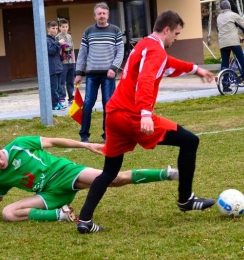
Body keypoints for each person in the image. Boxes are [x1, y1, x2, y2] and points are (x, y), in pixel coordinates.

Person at [77, 10, 215, 234]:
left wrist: (195, 69)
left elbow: (167, 63)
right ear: (167, 29)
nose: (176, 39)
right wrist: (145, 113)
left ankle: (84, 220)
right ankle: (185, 199)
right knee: (190, 141)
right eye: (176, 34)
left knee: (109, 172)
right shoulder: (155, 50)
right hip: (132, 116)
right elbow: (146, 79)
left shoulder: (145, 44)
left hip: (114, 115)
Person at [0, 136, 179, 222]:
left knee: (115, 179)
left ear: (0, 149)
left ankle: (168, 174)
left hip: (65, 173)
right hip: (50, 194)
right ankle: (61, 214)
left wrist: (84, 145)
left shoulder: (19, 145)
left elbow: (53, 141)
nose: (0, 162)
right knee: (8, 213)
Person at [75, 2, 124, 143]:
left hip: (109, 74)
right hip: (91, 74)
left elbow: (120, 52)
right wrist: (79, 73)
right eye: (99, 14)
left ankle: (107, 135)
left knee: (108, 104)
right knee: (88, 103)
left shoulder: (115, 31)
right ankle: (84, 135)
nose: (102, 16)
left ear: (108, 15)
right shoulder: (88, 31)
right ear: (94, 16)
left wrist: (113, 68)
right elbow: (82, 54)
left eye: (104, 13)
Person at [217, 0, 244, 92]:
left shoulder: (219, 17)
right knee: (242, 59)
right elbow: (243, 26)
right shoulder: (233, 15)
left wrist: (239, 37)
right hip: (233, 42)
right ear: (230, 7)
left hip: (223, 43)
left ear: (221, 8)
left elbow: (225, 30)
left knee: (225, 63)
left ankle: (225, 85)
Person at [46, 21, 66, 110]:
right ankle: (54, 104)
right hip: (52, 68)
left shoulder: (54, 39)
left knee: (58, 88)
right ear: (48, 29)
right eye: (53, 28)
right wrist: (59, 44)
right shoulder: (47, 40)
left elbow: (57, 53)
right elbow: (51, 51)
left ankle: (58, 102)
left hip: (58, 67)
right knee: (53, 87)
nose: (55, 30)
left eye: (56, 28)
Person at [56, 18, 76, 106]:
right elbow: (57, 49)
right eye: (63, 27)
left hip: (71, 61)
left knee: (70, 81)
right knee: (62, 81)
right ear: (59, 27)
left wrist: (74, 60)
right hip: (63, 62)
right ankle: (62, 97)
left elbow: (72, 49)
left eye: (66, 27)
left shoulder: (69, 36)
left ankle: (71, 97)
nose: (65, 28)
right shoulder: (58, 37)